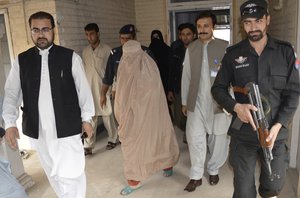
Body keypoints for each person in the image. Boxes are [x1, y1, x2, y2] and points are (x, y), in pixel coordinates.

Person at [211, 0, 300, 197]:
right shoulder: (233, 55)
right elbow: (217, 89)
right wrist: (236, 107)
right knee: (243, 191)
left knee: (274, 185)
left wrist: (279, 125)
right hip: (244, 134)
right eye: (248, 22)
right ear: (242, 25)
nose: (253, 27)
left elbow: (293, 92)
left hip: (274, 134)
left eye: (258, 21)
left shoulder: (285, 52)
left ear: (267, 20)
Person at [2, 11, 94, 198]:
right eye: (36, 30)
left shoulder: (70, 58)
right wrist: (10, 123)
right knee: (54, 174)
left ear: (53, 30)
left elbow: (83, 92)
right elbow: (11, 94)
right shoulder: (22, 60)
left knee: (72, 173)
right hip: (39, 132)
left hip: (66, 129)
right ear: (31, 31)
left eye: (45, 29)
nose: (40, 34)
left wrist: (87, 119)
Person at [114, 40, 179, 196]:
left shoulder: (143, 64)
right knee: (150, 141)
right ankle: (143, 175)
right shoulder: (132, 63)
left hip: (149, 114)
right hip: (139, 116)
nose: (129, 58)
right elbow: (122, 91)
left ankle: (139, 178)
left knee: (150, 141)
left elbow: (124, 96)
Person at [181, 11, 231, 192]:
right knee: (195, 139)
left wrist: (230, 103)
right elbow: (186, 77)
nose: (202, 30)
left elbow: (232, 76)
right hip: (196, 102)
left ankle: (213, 169)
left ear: (213, 27)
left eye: (206, 26)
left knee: (218, 138)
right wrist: (184, 101)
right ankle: (195, 176)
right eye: (199, 26)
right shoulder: (191, 48)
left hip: (218, 102)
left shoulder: (225, 47)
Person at [82, 23, 118, 154]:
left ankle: (113, 139)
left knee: (108, 115)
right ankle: (88, 145)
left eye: (91, 34)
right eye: (87, 34)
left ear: (98, 34)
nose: (89, 37)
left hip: (103, 88)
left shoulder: (107, 49)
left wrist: (113, 88)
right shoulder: (85, 51)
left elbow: (113, 72)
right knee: (90, 117)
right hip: (89, 90)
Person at [101, 24, 154, 108]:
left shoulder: (145, 53)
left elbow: (153, 78)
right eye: (122, 38)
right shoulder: (115, 54)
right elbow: (108, 77)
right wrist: (103, 95)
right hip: (122, 96)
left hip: (141, 96)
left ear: (134, 38)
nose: (125, 42)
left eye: (128, 38)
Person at [167, 23, 196, 143]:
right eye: (183, 34)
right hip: (179, 88)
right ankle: (186, 130)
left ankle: (191, 134)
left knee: (194, 115)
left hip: (195, 89)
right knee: (179, 118)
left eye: (188, 34)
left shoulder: (199, 49)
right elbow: (171, 70)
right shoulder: (175, 49)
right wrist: (169, 89)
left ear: (194, 35)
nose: (185, 37)